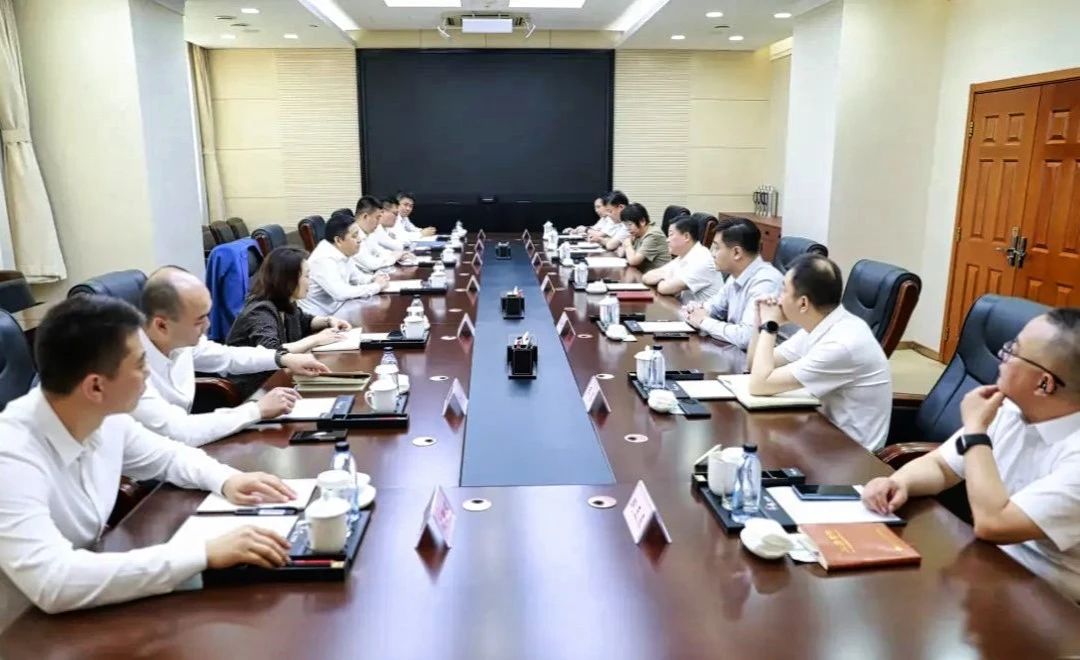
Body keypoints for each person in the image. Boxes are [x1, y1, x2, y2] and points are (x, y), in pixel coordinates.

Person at [0, 295, 295, 623]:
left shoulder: (104, 415)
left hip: (88, 602)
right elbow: (54, 581)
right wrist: (203, 553)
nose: (149, 374)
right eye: (140, 364)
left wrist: (227, 479)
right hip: (21, 627)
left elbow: (169, 457)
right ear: (95, 387)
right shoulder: (10, 454)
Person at [863, 308, 1080, 601]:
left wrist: (976, 431)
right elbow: (941, 465)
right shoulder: (1010, 409)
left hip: (1051, 601)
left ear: (1044, 383)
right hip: (989, 565)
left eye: (1013, 351)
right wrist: (900, 482)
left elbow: (994, 523)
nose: (1002, 356)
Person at [133, 267, 329, 448]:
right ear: (162, 326)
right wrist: (257, 410)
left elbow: (227, 356)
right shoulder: (129, 368)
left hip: (179, 450)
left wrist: (283, 359)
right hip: (153, 459)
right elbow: (178, 432)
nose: (208, 325)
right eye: (199, 320)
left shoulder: (178, 341)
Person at [747, 254, 891, 450]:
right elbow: (754, 365)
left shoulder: (841, 344)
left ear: (803, 303)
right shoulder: (821, 324)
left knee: (759, 449)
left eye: (784, 290)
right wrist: (760, 319)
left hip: (852, 453)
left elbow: (759, 384)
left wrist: (770, 325)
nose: (778, 298)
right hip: (822, 433)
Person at [226, 246, 353, 398]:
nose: (310, 281)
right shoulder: (260, 310)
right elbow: (272, 351)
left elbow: (305, 320)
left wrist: (328, 321)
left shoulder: (286, 302)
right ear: (288, 279)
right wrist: (316, 339)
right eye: (307, 276)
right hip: (255, 389)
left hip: (279, 379)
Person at [683, 217, 783, 352]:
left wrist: (703, 321)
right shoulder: (736, 275)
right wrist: (696, 309)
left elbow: (746, 337)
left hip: (770, 360)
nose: (712, 254)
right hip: (738, 353)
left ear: (736, 252)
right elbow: (714, 307)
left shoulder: (766, 282)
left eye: (716, 248)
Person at [302, 211, 390, 314]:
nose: (360, 239)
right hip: (322, 317)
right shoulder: (322, 259)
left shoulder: (343, 251)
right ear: (338, 240)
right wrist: (376, 286)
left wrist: (374, 278)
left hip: (340, 309)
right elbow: (341, 293)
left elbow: (356, 278)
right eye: (354, 236)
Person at [640, 214, 721, 305]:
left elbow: (664, 289)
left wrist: (665, 276)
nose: (667, 240)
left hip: (703, 313)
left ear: (686, 236)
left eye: (671, 235)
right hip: (684, 309)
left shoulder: (702, 259)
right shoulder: (684, 255)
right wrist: (667, 276)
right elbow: (646, 277)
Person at [353, 196, 405, 271]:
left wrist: (400, 254)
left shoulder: (368, 233)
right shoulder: (352, 236)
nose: (379, 222)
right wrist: (395, 257)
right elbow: (371, 264)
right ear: (365, 216)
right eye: (377, 217)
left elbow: (379, 251)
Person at [617, 202, 671, 273]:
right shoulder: (638, 233)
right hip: (643, 273)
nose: (628, 228)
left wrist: (627, 245)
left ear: (642, 221)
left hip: (658, 277)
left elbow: (633, 261)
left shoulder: (653, 235)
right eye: (625, 225)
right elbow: (620, 253)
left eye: (629, 224)